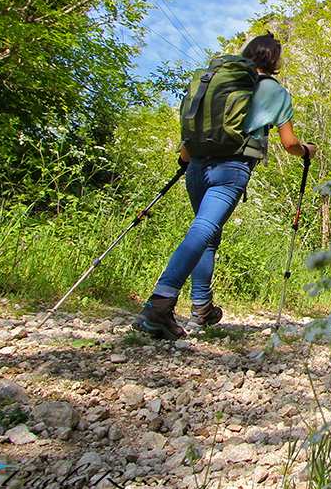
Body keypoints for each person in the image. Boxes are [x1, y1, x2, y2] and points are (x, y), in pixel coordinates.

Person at [133, 34, 315, 339]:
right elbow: (289, 143)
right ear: (275, 60)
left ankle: (201, 309)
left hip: (195, 166)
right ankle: (159, 306)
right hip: (231, 169)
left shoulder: (218, 84)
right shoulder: (274, 91)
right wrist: (308, 151)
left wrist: (187, 162)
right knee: (203, 230)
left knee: (207, 235)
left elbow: (189, 140)